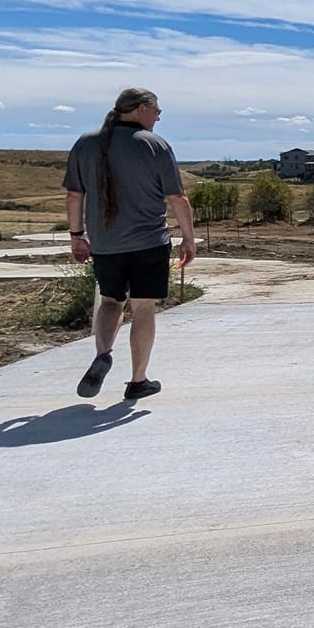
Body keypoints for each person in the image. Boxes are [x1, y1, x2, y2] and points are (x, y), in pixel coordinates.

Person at [62, 88, 196, 401]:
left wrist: (77, 235)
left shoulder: (85, 144)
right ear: (140, 109)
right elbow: (177, 198)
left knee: (110, 301)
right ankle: (138, 380)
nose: (158, 118)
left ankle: (103, 354)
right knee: (143, 307)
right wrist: (188, 239)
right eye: (157, 111)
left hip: (105, 243)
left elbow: (73, 195)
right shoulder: (154, 145)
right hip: (149, 243)